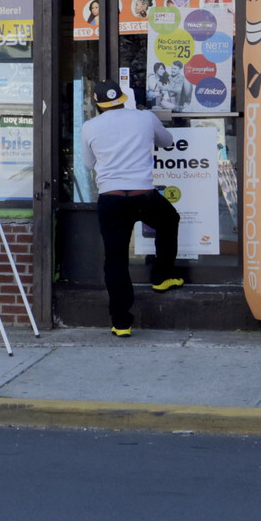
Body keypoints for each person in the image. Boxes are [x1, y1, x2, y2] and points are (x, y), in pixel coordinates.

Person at [78, 79, 184, 336]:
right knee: (169, 220)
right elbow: (167, 141)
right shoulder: (144, 117)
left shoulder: (89, 126)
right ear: (123, 98)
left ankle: (121, 322)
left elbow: (90, 164)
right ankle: (161, 276)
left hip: (111, 199)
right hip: (143, 194)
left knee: (115, 259)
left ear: (98, 104)